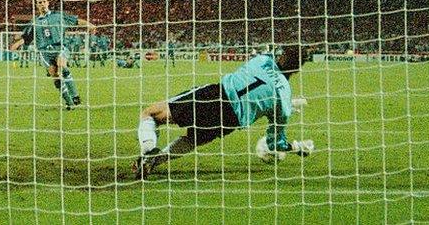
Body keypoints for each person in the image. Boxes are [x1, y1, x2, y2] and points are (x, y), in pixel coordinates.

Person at [133, 43, 315, 179]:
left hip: (216, 96)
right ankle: (154, 162)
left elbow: (265, 77)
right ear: (298, 69)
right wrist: (296, 147)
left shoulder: (262, 60)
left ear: (281, 57)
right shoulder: (283, 98)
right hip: (231, 121)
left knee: (151, 113)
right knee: (192, 139)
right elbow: (276, 143)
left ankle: (148, 150)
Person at [9, 0, 94, 109]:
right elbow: (27, 37)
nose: (42, 4)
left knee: (62, 65)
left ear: (48, 3)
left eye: (44, 2)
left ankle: (75, 95)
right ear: (37, 5)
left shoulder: (58, 15)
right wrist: (17, 44)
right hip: (44, 52)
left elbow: (76, 21)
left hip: (60, 47)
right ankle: (69, 103)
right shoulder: (34, 22)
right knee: (54, 74)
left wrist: (89, 24)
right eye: (40, 2)